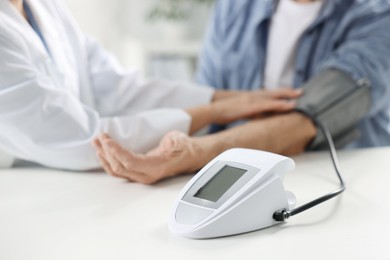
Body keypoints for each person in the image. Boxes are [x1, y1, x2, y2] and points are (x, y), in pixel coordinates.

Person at [94, 0, 390, 184]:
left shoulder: (378, 16)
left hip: (335, 181)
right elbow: (207, 95)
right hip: (230, 175)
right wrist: (172, 147)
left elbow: (309, 119)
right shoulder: (235, 7)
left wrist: (194, 153)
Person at [0, 0, 300, 170]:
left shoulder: (45, 7)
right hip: (29, 192)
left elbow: (118, 88)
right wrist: (215, 111)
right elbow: (80, 138)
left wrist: (224, 100)